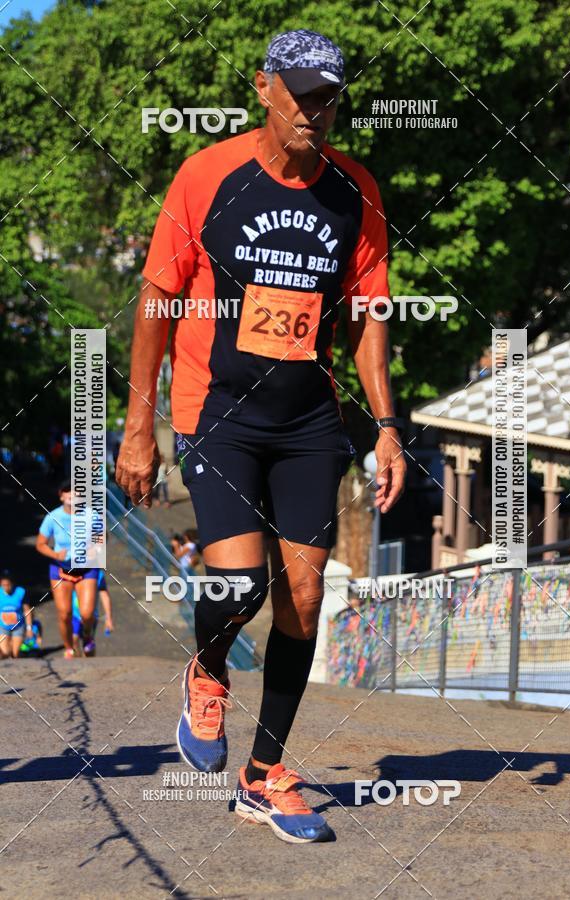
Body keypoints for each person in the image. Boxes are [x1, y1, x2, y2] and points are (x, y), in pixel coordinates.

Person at [116, 29, 406, 843]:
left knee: (306, 596)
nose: (317, 109)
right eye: (303, 93)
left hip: (311, 422)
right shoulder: (208, 175)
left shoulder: (356, 190)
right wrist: (138, 427)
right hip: (219, 416)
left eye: (330, 96)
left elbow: (369, 317)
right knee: (241, 586)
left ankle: (264, 773)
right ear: (265, 88)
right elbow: (156, 301)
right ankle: (207, 671)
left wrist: (386, 426)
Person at [35, 480, 100, 658]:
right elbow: (40, 544)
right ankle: (69, 648)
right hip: (60, 569)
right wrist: (56, 555)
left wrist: (95, 550)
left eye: (76, 491)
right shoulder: (52, 517)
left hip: (86, 569)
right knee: (64, 614)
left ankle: (86, 635)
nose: (72, 494)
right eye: (67, 491)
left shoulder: (91, 515)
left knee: (87, 613)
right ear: (61, 496)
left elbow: (102, 539)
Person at [72, 570, 114, 656]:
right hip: (74, 615)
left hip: (91, 616)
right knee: (73, 640)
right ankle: (76, 661)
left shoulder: (98, 574)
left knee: (88, 647)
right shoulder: (72, 570)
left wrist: (108, 618)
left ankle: (89, 663)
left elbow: (104, 595)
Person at [0, 570, 33, 659]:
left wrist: (29, 628)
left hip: (18, 626)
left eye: (8, 585)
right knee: (5, 653)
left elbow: (27, 610)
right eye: (4, 585)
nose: (6, 587)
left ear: (12, 584)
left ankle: (21, 654)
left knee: (15, 654)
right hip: (3, 627)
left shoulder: (20, 592)